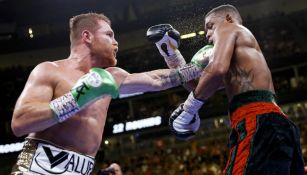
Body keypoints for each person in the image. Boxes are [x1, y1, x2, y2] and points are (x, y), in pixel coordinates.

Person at [10, 13, 205, 175]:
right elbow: (20, 123)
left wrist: (199, 66)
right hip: (35, 167)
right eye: (109, 35)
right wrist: (76, 98)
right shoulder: (49, 70)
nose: (116, 42)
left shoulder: (112, 76)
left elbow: (158, 80)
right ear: (87, 36)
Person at [163, 4, 305, 175]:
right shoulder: (239, 62)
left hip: (258, 119)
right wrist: (170, 53)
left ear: (228, 18)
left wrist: (189, 108)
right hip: (274, 122)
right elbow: (200, 84)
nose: (207, 35)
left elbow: (216, 69)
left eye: (210, 26)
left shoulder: (229, 28)